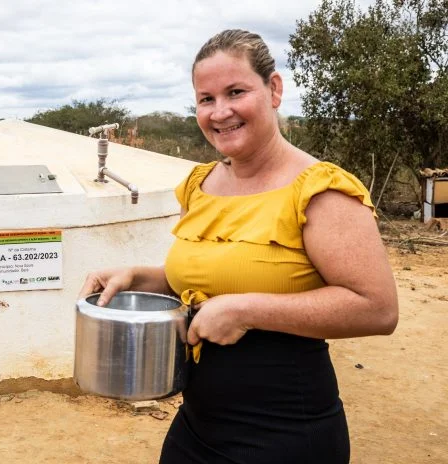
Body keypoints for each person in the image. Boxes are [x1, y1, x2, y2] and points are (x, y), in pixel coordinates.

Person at [78, 29, 398, 464]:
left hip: (285, 432)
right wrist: (138, 276)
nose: (220, 111)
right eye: (206, 99)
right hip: (197, 425)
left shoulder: (321, 190)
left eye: (236, 92)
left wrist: (245, 311)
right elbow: (206, 279)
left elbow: (377, 308)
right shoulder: (200, 185)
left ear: (274, 89)